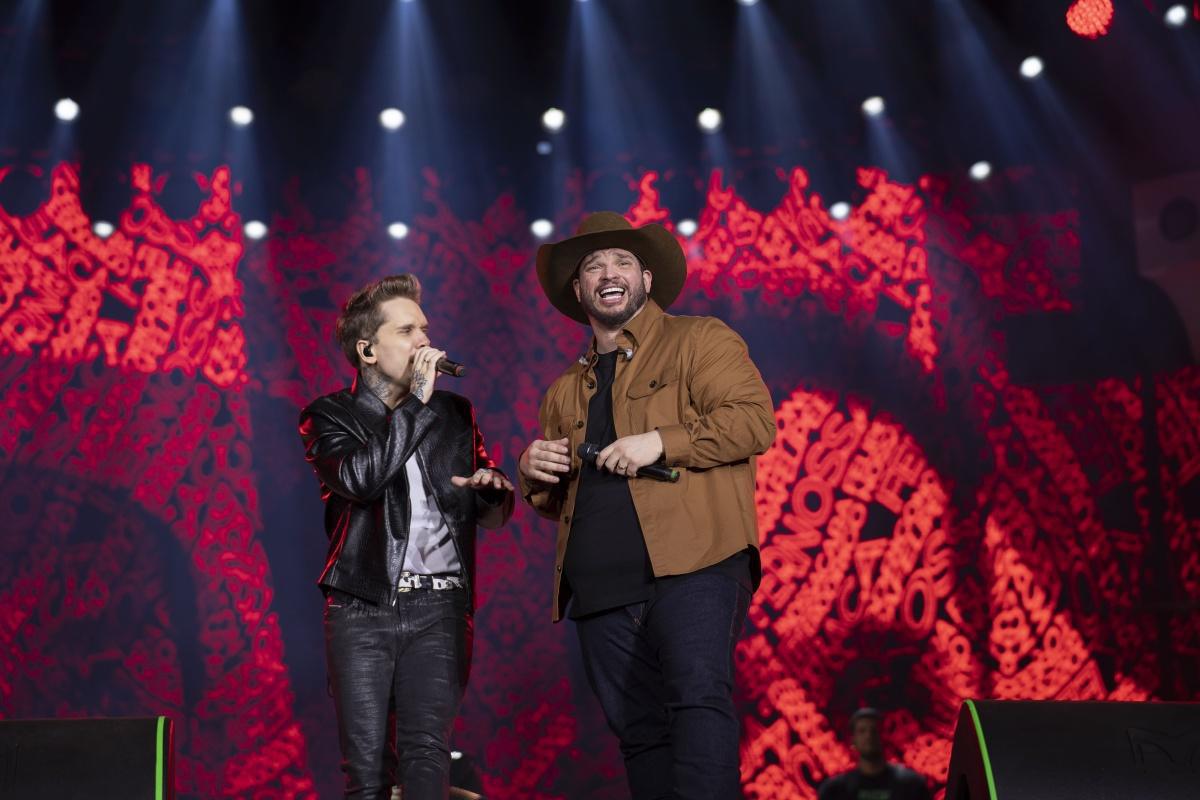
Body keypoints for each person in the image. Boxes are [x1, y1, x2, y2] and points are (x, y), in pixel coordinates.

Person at [518, 212, 776, 799]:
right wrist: (533, 472)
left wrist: (662, 441)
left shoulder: (700, 339)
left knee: (698, 701)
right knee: (639, 734)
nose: (608, 272)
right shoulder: (564, 389)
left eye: (621, 261)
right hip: (600, 589)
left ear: (647, 279)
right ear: (578, 290)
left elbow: (753, 422)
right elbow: (557, 498)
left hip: (695, 566)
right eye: (592, 266)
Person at [299, 274, 514, 799]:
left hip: (440, 608)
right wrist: (415, 401)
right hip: (362, 606)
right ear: (367, 349)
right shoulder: (329, 415)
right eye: (408, 330)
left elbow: (491, 511)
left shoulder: (455, 413)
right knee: (369, 771)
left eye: (425, 328)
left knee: (426, 763)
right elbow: (359, 480)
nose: (425, 341)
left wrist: (490, 488)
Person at [818, 708, 932, 800]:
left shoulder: (913, 785)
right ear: (852, 741)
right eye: (862, 731)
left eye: (875, 730)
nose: (869, 736)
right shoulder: (834, 790)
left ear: (884, 737)